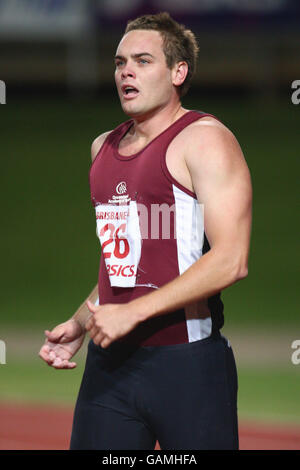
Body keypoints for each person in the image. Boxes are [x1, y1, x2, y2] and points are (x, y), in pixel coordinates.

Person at [39, 12, 252, 450]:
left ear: (179, 72)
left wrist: (135, 312)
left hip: (187, 366)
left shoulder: (205, 140)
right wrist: (83, 323)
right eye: (119, 63)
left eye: (142, 60)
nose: (126, 72)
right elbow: (126, 262)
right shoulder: (103, 148)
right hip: (110, 369)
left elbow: (231, 259)